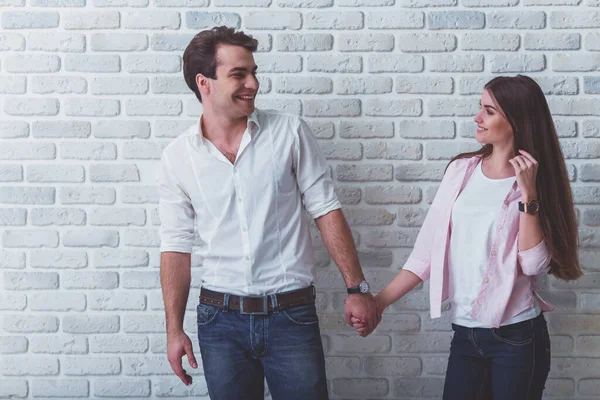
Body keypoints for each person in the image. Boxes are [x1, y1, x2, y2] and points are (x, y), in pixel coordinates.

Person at [157, 26, 378, 400]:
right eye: (239, 74)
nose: (253, 84)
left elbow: (325, 210)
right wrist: (173, 330)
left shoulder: (289, 133)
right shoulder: (177, 157)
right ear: (204, 82)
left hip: (290, 315)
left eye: (254, 72)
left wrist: (357, 288)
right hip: (219, 321)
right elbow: (176, 246)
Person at [352, 75, 582, 399]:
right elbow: (425, 255)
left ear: (516, 120)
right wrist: (377, 303)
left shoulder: (533, 184)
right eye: (480, 107)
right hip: (465, 335)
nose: (477, 117)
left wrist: (528, 194)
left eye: (489, 111)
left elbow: (532, 265)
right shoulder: (461, 171)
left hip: (517, 337)